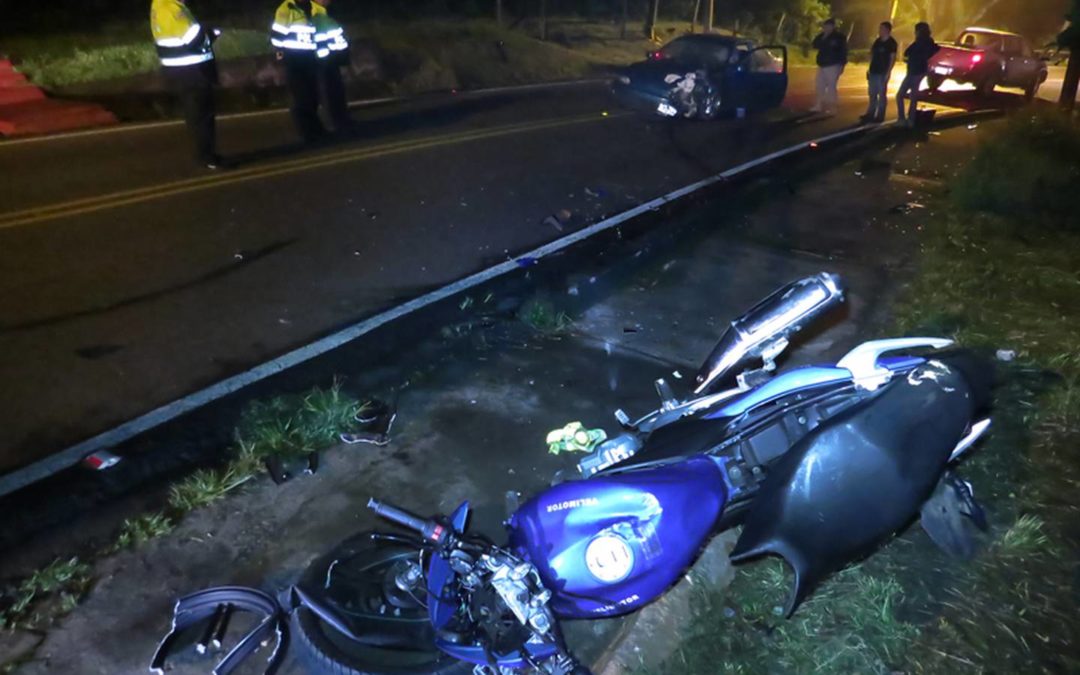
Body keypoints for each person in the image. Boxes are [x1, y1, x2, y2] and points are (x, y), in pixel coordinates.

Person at [150, 0, 221, 169]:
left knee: (196, 116)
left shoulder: (160, 5)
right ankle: (207, 157)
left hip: (181, 71)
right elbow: (194, 39)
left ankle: (205, 155)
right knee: (202, 117)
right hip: (192, 72)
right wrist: (211, 32)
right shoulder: (172, 8)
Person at [272, 0, 327, 142]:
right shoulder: (286, 8)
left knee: (313, 96)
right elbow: (277, 37)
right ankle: (307, 132)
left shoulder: (315, 8)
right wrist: (281, 56)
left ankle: (316, 128)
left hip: (310, 58)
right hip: (293, 59)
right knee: (301, 97)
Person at [312, 0, 354, 134]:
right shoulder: (314, 15)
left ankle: (342, 120)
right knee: (329, 92)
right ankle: (336, 122)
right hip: (322, 61)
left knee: (336, 91)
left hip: (331, 60)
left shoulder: (325, 14)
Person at [897, 21, 940, 127]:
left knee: (908, 95)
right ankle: (905, 119)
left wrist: (918, 59)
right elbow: (907, 52)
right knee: (904, 95)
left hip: (918, 71)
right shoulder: (920, 42)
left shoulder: (925, 42)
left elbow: (912, 53)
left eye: (916, 30)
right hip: (913, 71)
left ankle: (908, 120)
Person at [862, 21, 897, 123]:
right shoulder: (877, 41)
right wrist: (869, 68)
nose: (880, 30)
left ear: (887, 30)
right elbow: (872, 55)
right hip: (874, 70)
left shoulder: (891, 43)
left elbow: (892, 58)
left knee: (881, 94)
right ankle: (870, 113)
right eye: (880, 28)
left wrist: (888, 72)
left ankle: (880, 116)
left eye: (882, 29)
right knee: (872, 93)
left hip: (883, 71)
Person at [811, 18, 848, 115]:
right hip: (822, 64)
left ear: (832, 27)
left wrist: (842, 65)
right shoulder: (822, 36)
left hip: (833, 65)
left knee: (831, 87)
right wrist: (823, 36)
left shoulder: (839, 37)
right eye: (825, 26)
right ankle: (818, 105)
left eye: (828, 26)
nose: (826, 28)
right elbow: (814, 44)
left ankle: (832, 108)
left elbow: (843, 51)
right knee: (819, 86)